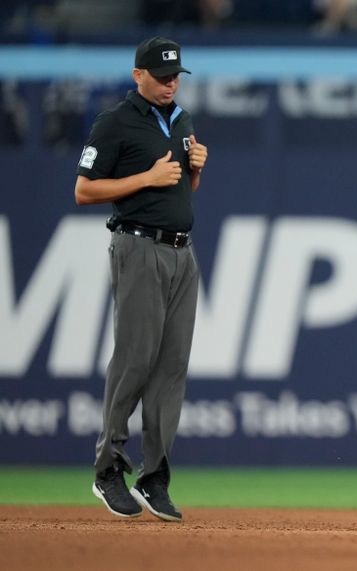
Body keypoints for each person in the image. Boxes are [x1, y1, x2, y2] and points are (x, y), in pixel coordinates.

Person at [74, 36, 208, 522]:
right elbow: (84, 189)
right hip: (137, 246)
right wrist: (143, 179)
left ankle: (155, 477)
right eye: (162, 75)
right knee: (135, 360)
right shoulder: (114, 123)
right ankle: (108, 468)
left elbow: (178, 192)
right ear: (138, 75)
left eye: (176, 75)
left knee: (171, 368)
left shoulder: (182, 120)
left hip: (181, 253)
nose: (171, 82)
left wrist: (196, 171)